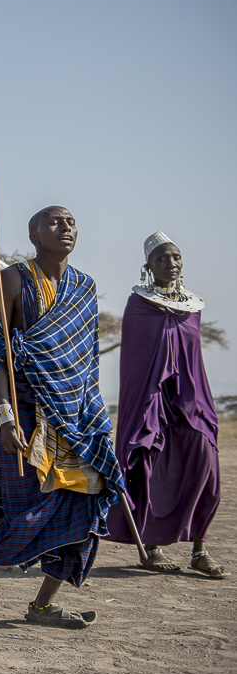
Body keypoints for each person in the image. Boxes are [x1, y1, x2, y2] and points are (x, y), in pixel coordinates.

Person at [0, 206, 123, 629]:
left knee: (84, 503)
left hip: (76, 416)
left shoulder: (85, 287)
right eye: (53, 222)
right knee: (36, 502)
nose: (65, 227)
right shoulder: (12, 279)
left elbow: (85, 363)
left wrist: (95, 417)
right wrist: (7, 417)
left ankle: (43, 605)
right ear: (33, 235)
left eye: (70, 222)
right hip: (28, 409)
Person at [105, 232, 228, 578]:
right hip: (151, 401)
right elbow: (135, 359)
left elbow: (193, 356)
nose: (170, 264)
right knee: (147, 464)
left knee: (206, 461)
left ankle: (199, 549)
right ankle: (152, 547)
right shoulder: (139, 305)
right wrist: (150, 401)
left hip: (189, 400)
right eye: (162, 259)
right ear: (149, 266)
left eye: (175, 258)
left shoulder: (192, 307)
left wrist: (194, 397)